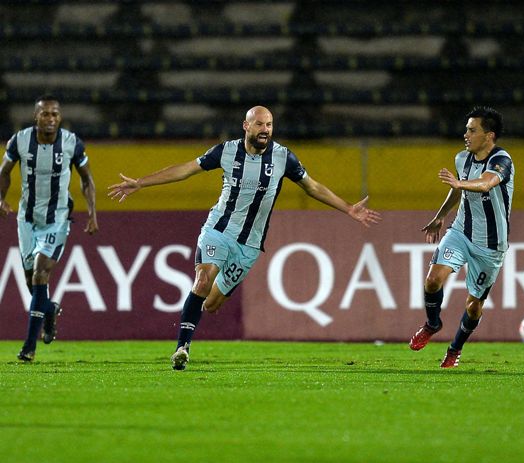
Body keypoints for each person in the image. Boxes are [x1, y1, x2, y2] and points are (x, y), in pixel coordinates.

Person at [108, 106, 380, 370]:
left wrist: (347, 208)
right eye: (260, 124)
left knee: (212, 304)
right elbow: (186, 169)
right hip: (219, 229)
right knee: (203, 280)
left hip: (249, 244)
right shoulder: (226, 151)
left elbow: (312, 187)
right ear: (246, 126)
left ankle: (193, 311)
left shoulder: (283, 157)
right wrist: (141, 182)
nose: (265, 130)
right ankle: (182, 348)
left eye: (270, 125)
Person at [408, 106, 514, 368]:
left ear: (488, 135)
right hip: (461, 231)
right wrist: (440, 215)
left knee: (473, 306)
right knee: (433, 280)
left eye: (472, 130)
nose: (465, 134)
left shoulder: (502, 160)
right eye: (466, 129)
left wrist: (460, 184)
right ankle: (433, 323)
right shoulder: (462, 159)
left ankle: (455, 349)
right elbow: (459, 190)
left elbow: (487, 183)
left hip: (491, 244)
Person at [0, 95, 99, 362]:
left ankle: (29, 347)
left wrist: (92, 214)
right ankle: (50, 309)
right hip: (27, 219)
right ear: (36, 117)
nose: (51, 119)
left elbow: (87, 179)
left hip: (58, 218)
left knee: (41, 273)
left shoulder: (71, 143)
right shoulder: (19, 140)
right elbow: (5, 171)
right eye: (45, 114)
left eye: (55, 114)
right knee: (31, 281)